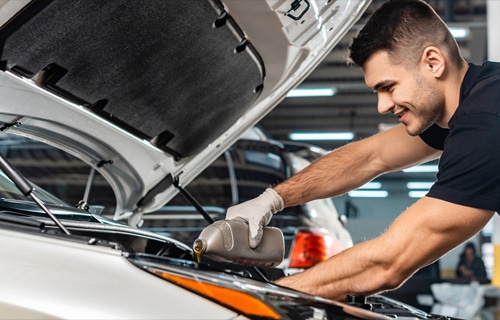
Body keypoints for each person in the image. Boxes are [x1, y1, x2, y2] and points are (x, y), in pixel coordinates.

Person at [225, 0, 500, 301]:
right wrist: (272, 199)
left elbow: (388, 264)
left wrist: (267, 297)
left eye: (389, 87)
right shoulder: (474, 98)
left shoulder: (486, 121)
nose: (382, 106)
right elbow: (370, 157)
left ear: (433, 62)